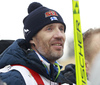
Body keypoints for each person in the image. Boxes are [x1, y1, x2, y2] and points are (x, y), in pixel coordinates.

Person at [0, 2, 76, 85]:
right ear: (32, 38)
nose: (59, 35)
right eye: (49, 29)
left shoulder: (59, 79)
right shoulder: (15, 78)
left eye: (61, 29)